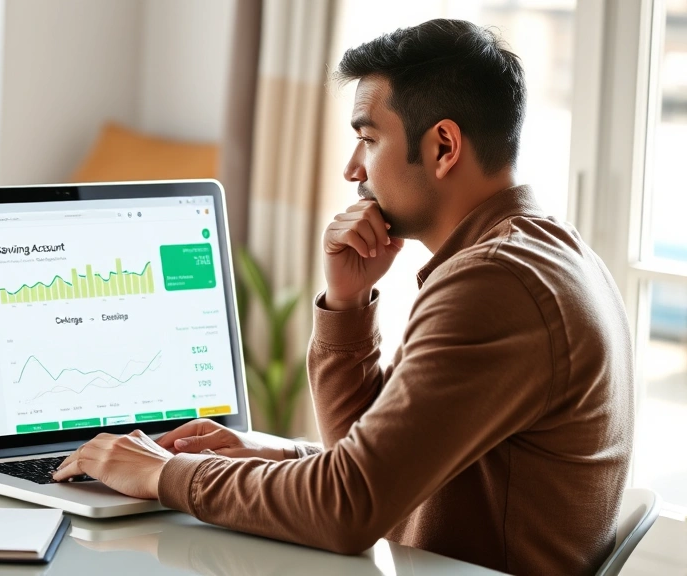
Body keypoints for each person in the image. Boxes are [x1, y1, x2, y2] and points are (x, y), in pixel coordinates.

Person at [53, 18, 633, 575]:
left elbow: (347, 508)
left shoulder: (495, 285)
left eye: (368, 139)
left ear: (443, 146)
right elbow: (377, 467)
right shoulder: (542, 253)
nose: (353, 169)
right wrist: (347, 304)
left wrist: (165, 474)